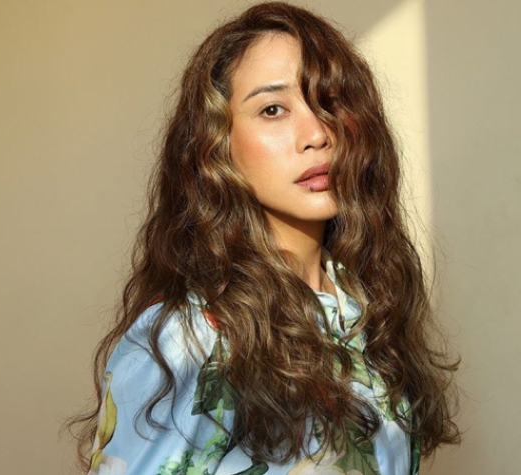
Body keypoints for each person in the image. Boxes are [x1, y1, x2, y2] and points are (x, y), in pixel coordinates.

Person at [68, 2, 460, 474]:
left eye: (330, 102)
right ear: (217, 145)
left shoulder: (364, 310)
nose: (316, 134)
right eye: (273, 109)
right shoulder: (191, 338)